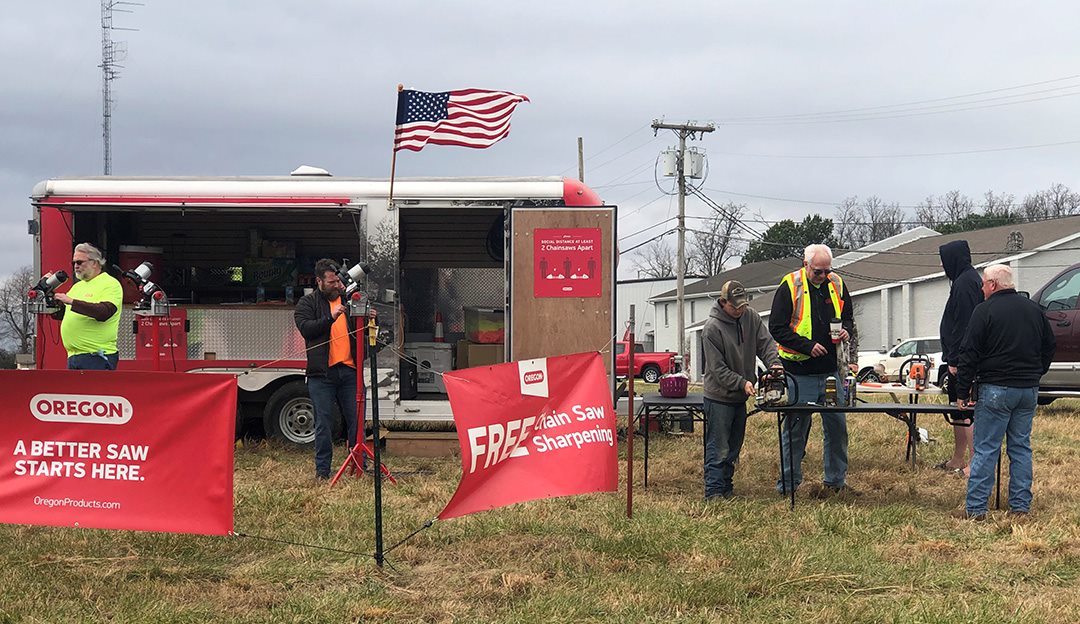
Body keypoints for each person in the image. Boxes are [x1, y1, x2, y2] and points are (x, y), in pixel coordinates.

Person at [954, 264, 1055, 520]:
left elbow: (969, 353)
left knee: (986, 448)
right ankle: (1020, 507)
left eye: (984, 283)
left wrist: (962, 391)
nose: (982, 288)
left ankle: (976, 509)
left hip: (996, 389)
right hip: (1027, 390)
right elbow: (1049, 346)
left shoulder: (984, 311)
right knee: (1021, 448)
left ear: (993, 285)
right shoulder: (1034, 310)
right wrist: (1036, 372)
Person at [769, 244, 856, 496]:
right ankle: (788, 485)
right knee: (795, 430)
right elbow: (776, 328)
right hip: (799, 371)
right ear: (806, 265)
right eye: (818, 271)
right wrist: (807, 347)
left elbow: (848, 316)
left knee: (837, 429)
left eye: (828, 270)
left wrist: (846, 329)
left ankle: (835, 482)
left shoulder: (837, 283)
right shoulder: (790, 285)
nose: (823, 275)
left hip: (831, 371)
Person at [701, 280, 783, 500]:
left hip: (740, 396)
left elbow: (765, 344)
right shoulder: (711, 329)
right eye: (735, 306)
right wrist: (742, 383)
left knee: (734, 446)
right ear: (723, 302)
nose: (739, 310)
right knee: (718, 447)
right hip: (718, 397)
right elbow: (717, 369)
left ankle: (727, 488)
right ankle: (714, 491)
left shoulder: (751, 317)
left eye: (743, 305)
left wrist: (774, 364)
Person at [294, 258, 362, 480]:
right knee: (324, 422)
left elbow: (365, 337)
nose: (336, 285)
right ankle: (323, 471)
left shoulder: (350, 301)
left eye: (338, 281)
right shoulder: (307, 303)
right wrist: (329, 318)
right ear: (319, 281)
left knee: (356, 420)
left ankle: (357, 465)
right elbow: (306, 329)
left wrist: (371, 318)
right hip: (322, 374)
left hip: (349, 371)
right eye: (331, 282)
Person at [936, 240, 983, 473]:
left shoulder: (965, 283)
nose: (942, 265)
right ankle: (957, 459)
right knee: (957, 409)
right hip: (958, 357)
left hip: (963, 361)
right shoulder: (964, 280)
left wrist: (956, 360)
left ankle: (973, 464)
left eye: (943, 260)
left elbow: (965, 325)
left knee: (966, 409)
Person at [52, 242, 123, 370]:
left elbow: (104, 312)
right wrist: (50, 296)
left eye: (79, 262)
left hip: (97, 356)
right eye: (73, 263)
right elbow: (64, 314)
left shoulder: (110, 283)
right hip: (73, 356)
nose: (76, 266)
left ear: (95, 263)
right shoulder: (77, 286)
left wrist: (72, 302)